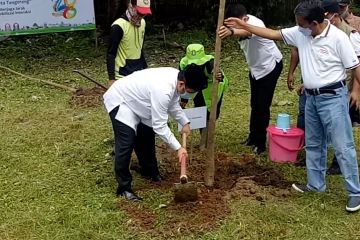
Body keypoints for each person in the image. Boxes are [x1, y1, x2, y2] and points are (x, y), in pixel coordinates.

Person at [224, 0, 360, 212]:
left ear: (314, 23)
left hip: (333, 97)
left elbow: (355, 67)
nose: (297, 27)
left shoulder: (338, 38)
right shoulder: (301, 33)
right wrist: (242, 27)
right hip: (311, 98)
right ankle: (316, 185)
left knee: (343, 146)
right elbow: (271, 33)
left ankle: (355, 193)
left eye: (301, 23)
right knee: (314, 143)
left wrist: (356, 91)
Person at [103, 66, 208, 202]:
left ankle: (149, 170)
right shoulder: (163, 89)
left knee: (146, 135)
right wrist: (178, 147)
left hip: (139, 102)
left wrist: (185, 122)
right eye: (190, 91)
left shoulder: (176, 79)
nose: (189, 95)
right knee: (126, 142)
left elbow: (172, 105)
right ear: (182, 84)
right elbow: (160, 126)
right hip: (122, 100)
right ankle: (124, 189)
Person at [218, 3, 283, 154]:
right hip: (256, 68)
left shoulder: (255, 24)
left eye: (237, 22)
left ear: (245, 19)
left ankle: (260, 143)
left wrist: (232, 31)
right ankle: (253, 136)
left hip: (270, 67)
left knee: (262, 105)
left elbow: (246, 33)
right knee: (254, 103)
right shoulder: (240, 22)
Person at [179, 43, 229, 149]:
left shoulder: (210, 63)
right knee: (201, 112)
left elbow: (220, 76)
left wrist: (219, 75)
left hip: (212, 88)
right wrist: (184, 98)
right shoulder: (183, 63)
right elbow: (182, 82)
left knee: (212, 114)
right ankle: (204, 139)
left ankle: (208, 139)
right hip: (196, 89)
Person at [106, 0, 151, 86]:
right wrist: (111, 78)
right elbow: (111, 53)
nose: (141, 16)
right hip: (122, 75)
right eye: (140, 12)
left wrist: (145, 68)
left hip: (138, 72)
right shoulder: (118, 26)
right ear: (131, 6)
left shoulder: (143, 23)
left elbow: (140, 48)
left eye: (144, 14)